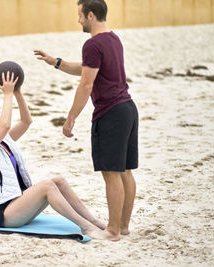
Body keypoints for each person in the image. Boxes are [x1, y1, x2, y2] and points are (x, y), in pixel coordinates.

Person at [34, 0, 138, 241]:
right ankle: (122, 227)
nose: (79, 20)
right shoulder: (113, 39)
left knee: (112, 172)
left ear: (90, 15)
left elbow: (86, 83)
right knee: (125, 172)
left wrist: (70, 118)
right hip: (128, 109)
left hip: (111, 112)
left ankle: (112, 231)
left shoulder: (92, 43)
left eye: (80, 15)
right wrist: (56, 62)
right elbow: (87, 68)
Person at [0, 71, 106, 239]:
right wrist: (7, 94)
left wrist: (17, 93)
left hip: (20, 205)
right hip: (4, 215)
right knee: (47, 185)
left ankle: (93, 221)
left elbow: (26, 121)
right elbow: (5, 125)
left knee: (58, 181)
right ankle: (85, 226)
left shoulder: (2, 142)